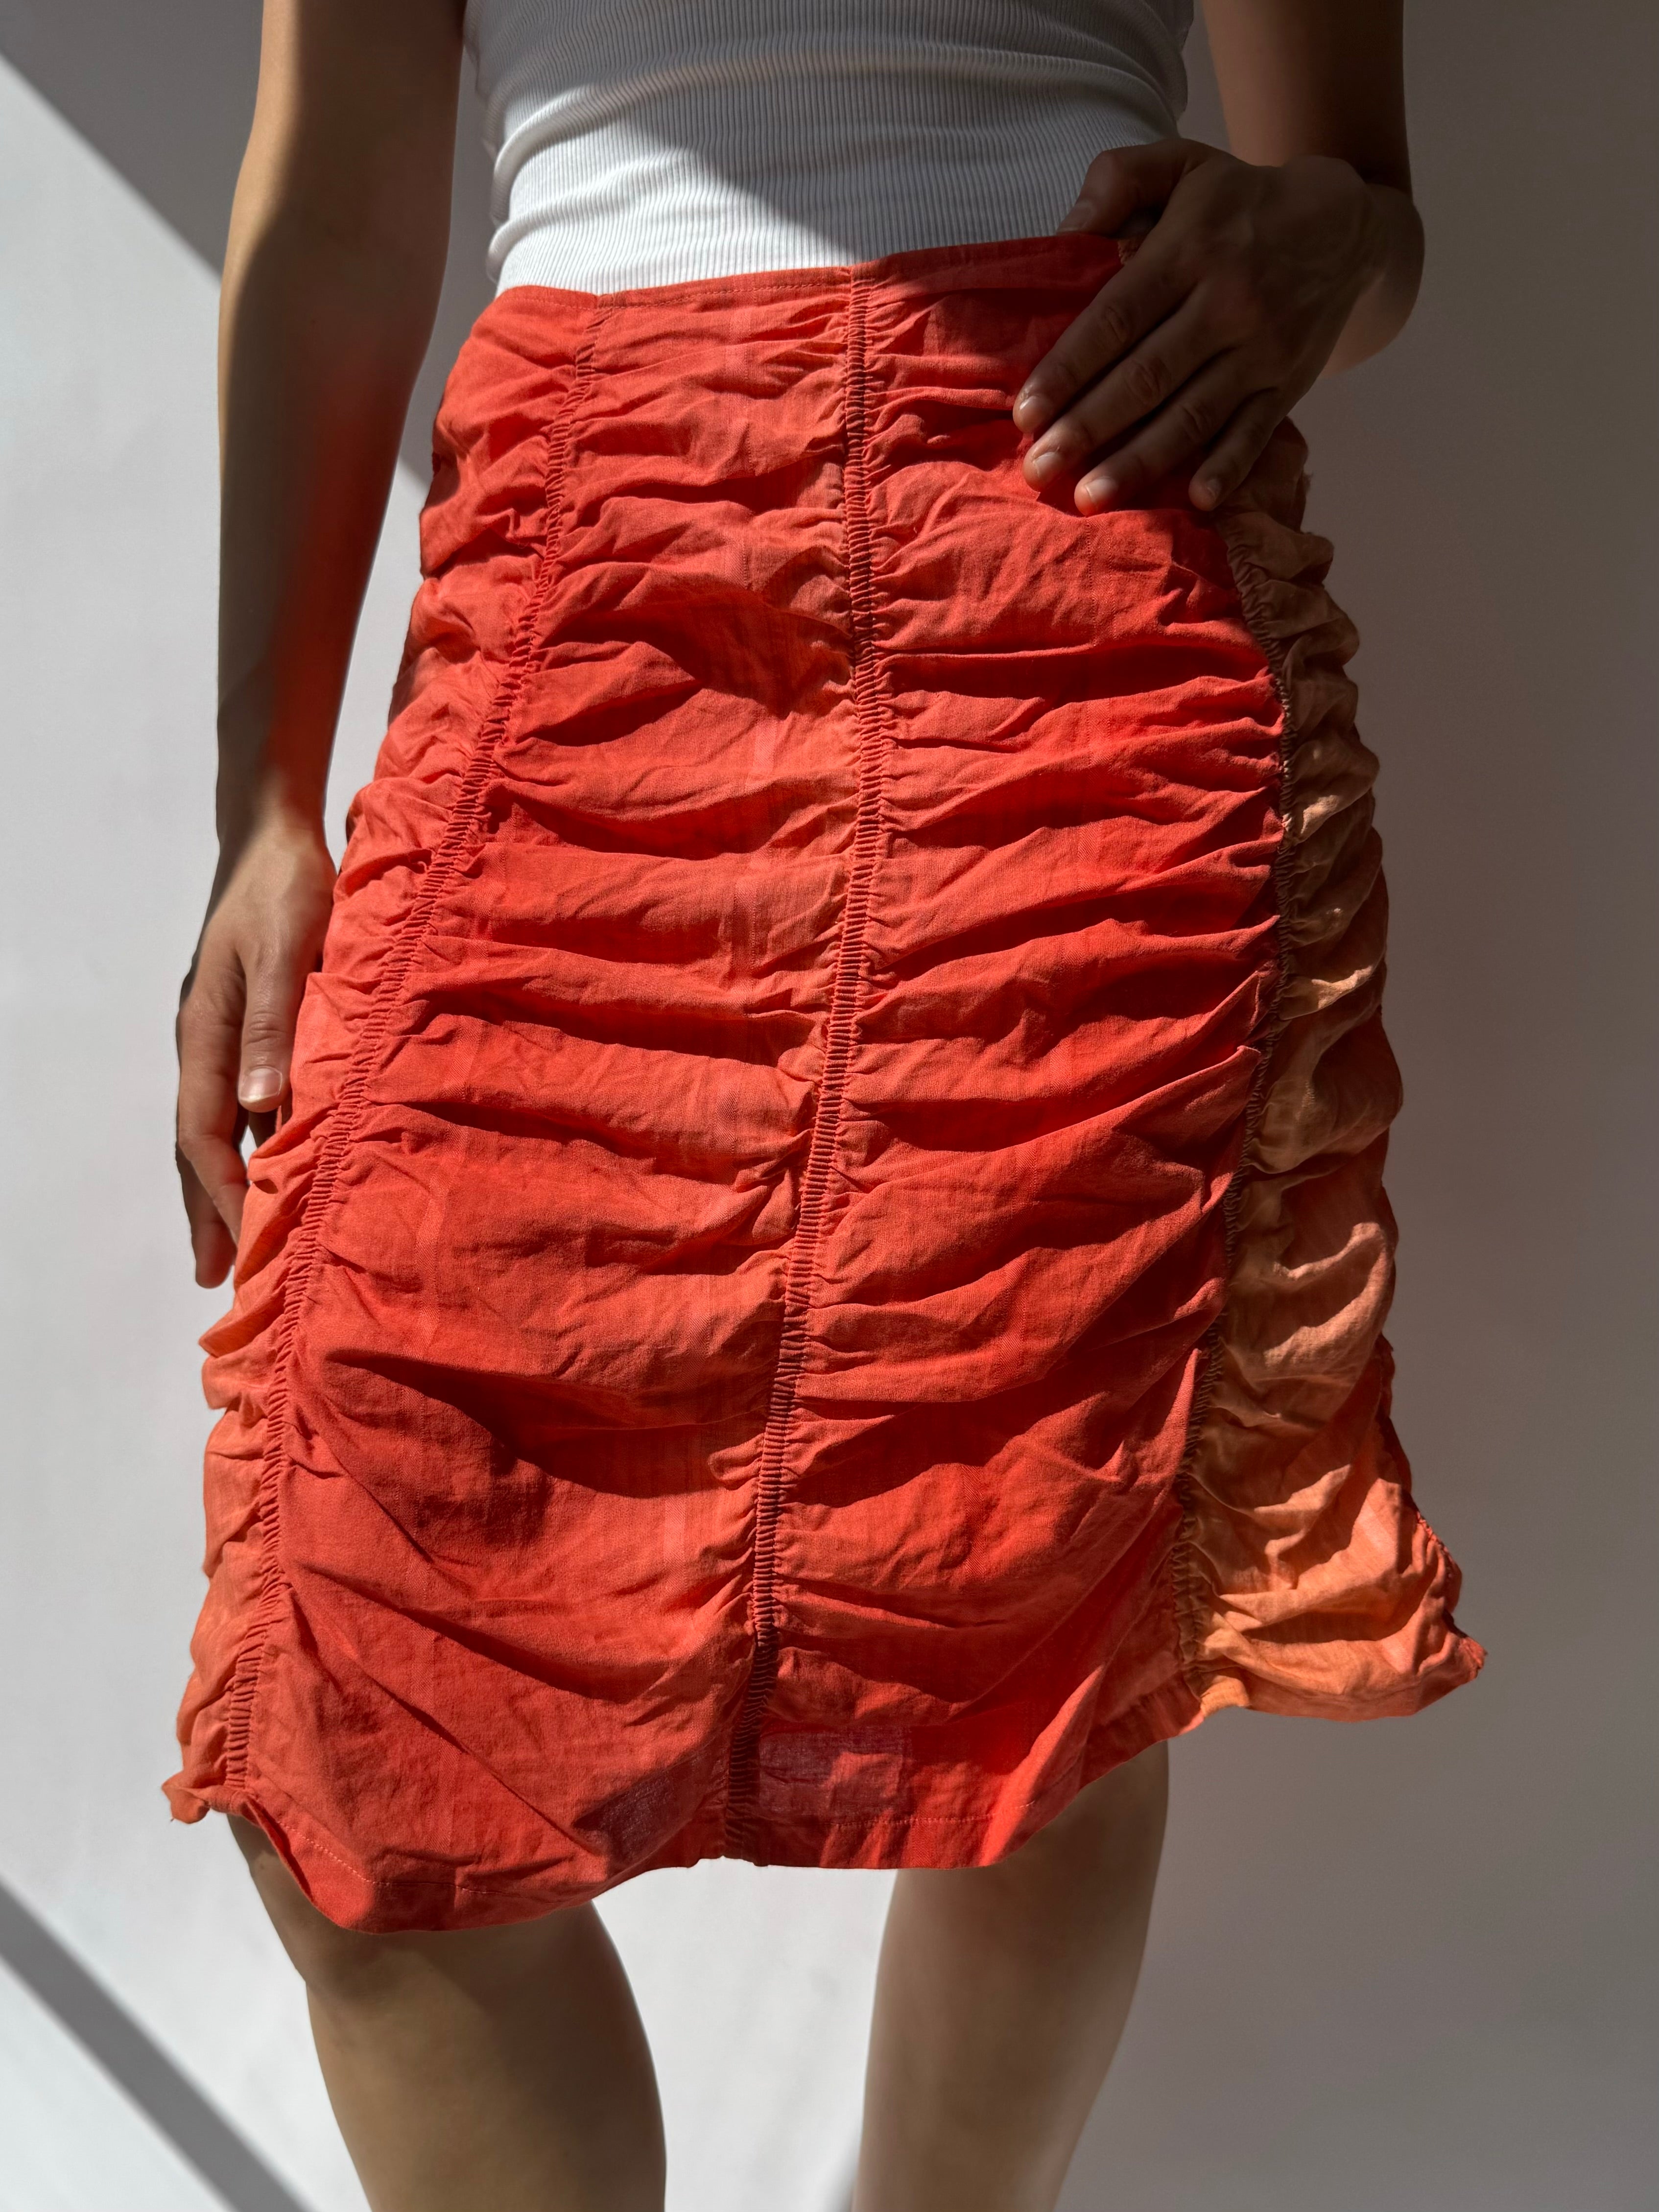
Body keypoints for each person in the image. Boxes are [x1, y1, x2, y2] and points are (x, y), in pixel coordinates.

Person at [169, 4, 1482, 2207]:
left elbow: (1363, 209)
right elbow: (336, 199)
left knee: (1033, 1643)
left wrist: (1326, 242)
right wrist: (265, 798)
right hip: (590, 576)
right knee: (352, 1711)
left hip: (1075, 538)